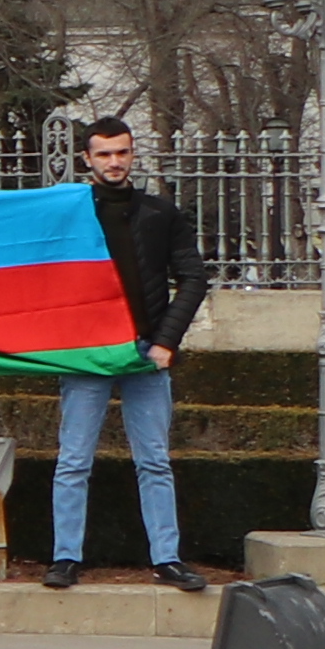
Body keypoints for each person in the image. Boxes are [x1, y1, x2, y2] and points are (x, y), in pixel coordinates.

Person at [51, 113, 209, 596]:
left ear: (132, 154)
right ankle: (65, 558)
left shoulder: (161, 213)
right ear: (87, 159)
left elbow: (194, 278)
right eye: (104, 154)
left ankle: (166, 559)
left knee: (155, 460)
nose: (114, 162)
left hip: (145, 350)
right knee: (73, 461)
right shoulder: (67, 211)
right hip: (87, 352)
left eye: (121, 152)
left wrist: (166, 341)